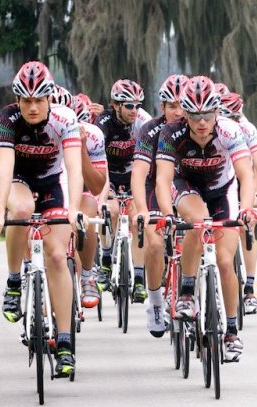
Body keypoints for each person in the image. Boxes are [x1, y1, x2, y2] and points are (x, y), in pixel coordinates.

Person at [0, 61, 83, 378]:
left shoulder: (65, 120)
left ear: (50, 99)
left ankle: (65, 343)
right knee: (23, 211)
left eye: (39, 100)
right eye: (25, 100)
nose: (32, 107)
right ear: (17, 101)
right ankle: (14, 282)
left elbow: (74, 170)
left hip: (53, 186)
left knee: (57, 255)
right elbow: (3, 171)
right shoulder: (7, 119)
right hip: (19, 182)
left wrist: (73, 210)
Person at [156, 75, 257, 361]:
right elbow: (163, 180)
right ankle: (186, 293)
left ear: (217, 112)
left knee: (226, 263)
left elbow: (246, 174)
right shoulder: (171, 133)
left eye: (208, 114)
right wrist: (167, 214)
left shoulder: (229, 131)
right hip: (186, 187)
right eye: (195, 115)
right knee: (198, 221)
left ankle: (232, 333)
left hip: (222, 190)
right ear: (185, 113)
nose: (202, 123)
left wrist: (247, 208)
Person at [131, 74, 188, 337]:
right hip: (154, 187)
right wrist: (141, 210)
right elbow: (139, 173)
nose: (178, 112)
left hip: (186, 188)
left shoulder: (198, 127)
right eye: (172, 106)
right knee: (154, 243)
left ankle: (197, 292)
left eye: (182, 105)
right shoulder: (150, 131)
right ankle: (154, 303)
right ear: (162, 108)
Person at [94, 79, 152, 303]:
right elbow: (98, 161)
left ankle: (139, 279)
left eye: (138, 105)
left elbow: (149, 160)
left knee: (138, 220)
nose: (134, 111)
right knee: (112, 212)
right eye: (129, 106)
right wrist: (103, 194)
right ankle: (106, 262)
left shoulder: (143, 121)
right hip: (108, 173)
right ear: (116, 105)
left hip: (133, 175)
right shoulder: (104, 123)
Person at [220, 92, 257, 314]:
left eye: (236, 117)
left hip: (244, 179)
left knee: (247, 228)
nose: (234, 122)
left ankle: (249, 289)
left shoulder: (247, 129)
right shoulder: (213, 127)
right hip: (220, 178)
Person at [72, 94, 108, 309]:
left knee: (90, 216)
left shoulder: (94, 135)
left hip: (85, 186)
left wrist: (82, 149)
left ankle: (87, 275)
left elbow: (98, 184)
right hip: (55, 185)